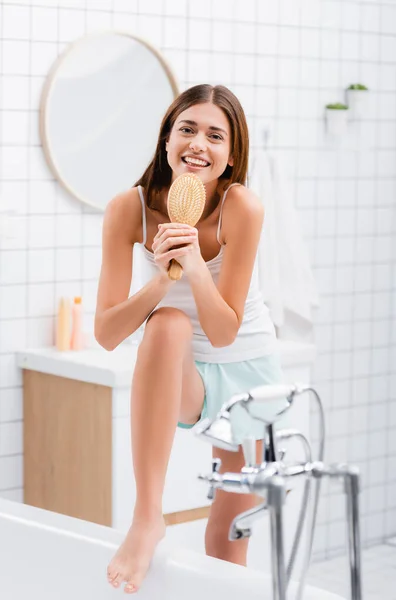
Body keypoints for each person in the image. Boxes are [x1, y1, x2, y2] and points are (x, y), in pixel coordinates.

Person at [94, 83, 283, 594]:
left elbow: (223, 332)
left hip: (247, 372)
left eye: (215, 135)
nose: (199, 142)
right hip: (178, 371)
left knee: (226, 541)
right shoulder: (127, 209)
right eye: (187, 129)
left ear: (230, 155)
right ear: (166, 140)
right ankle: (147, 516)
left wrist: (197, 264)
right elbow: (108, 334)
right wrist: (161, 280)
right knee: (168, 322)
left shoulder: (241, 206)